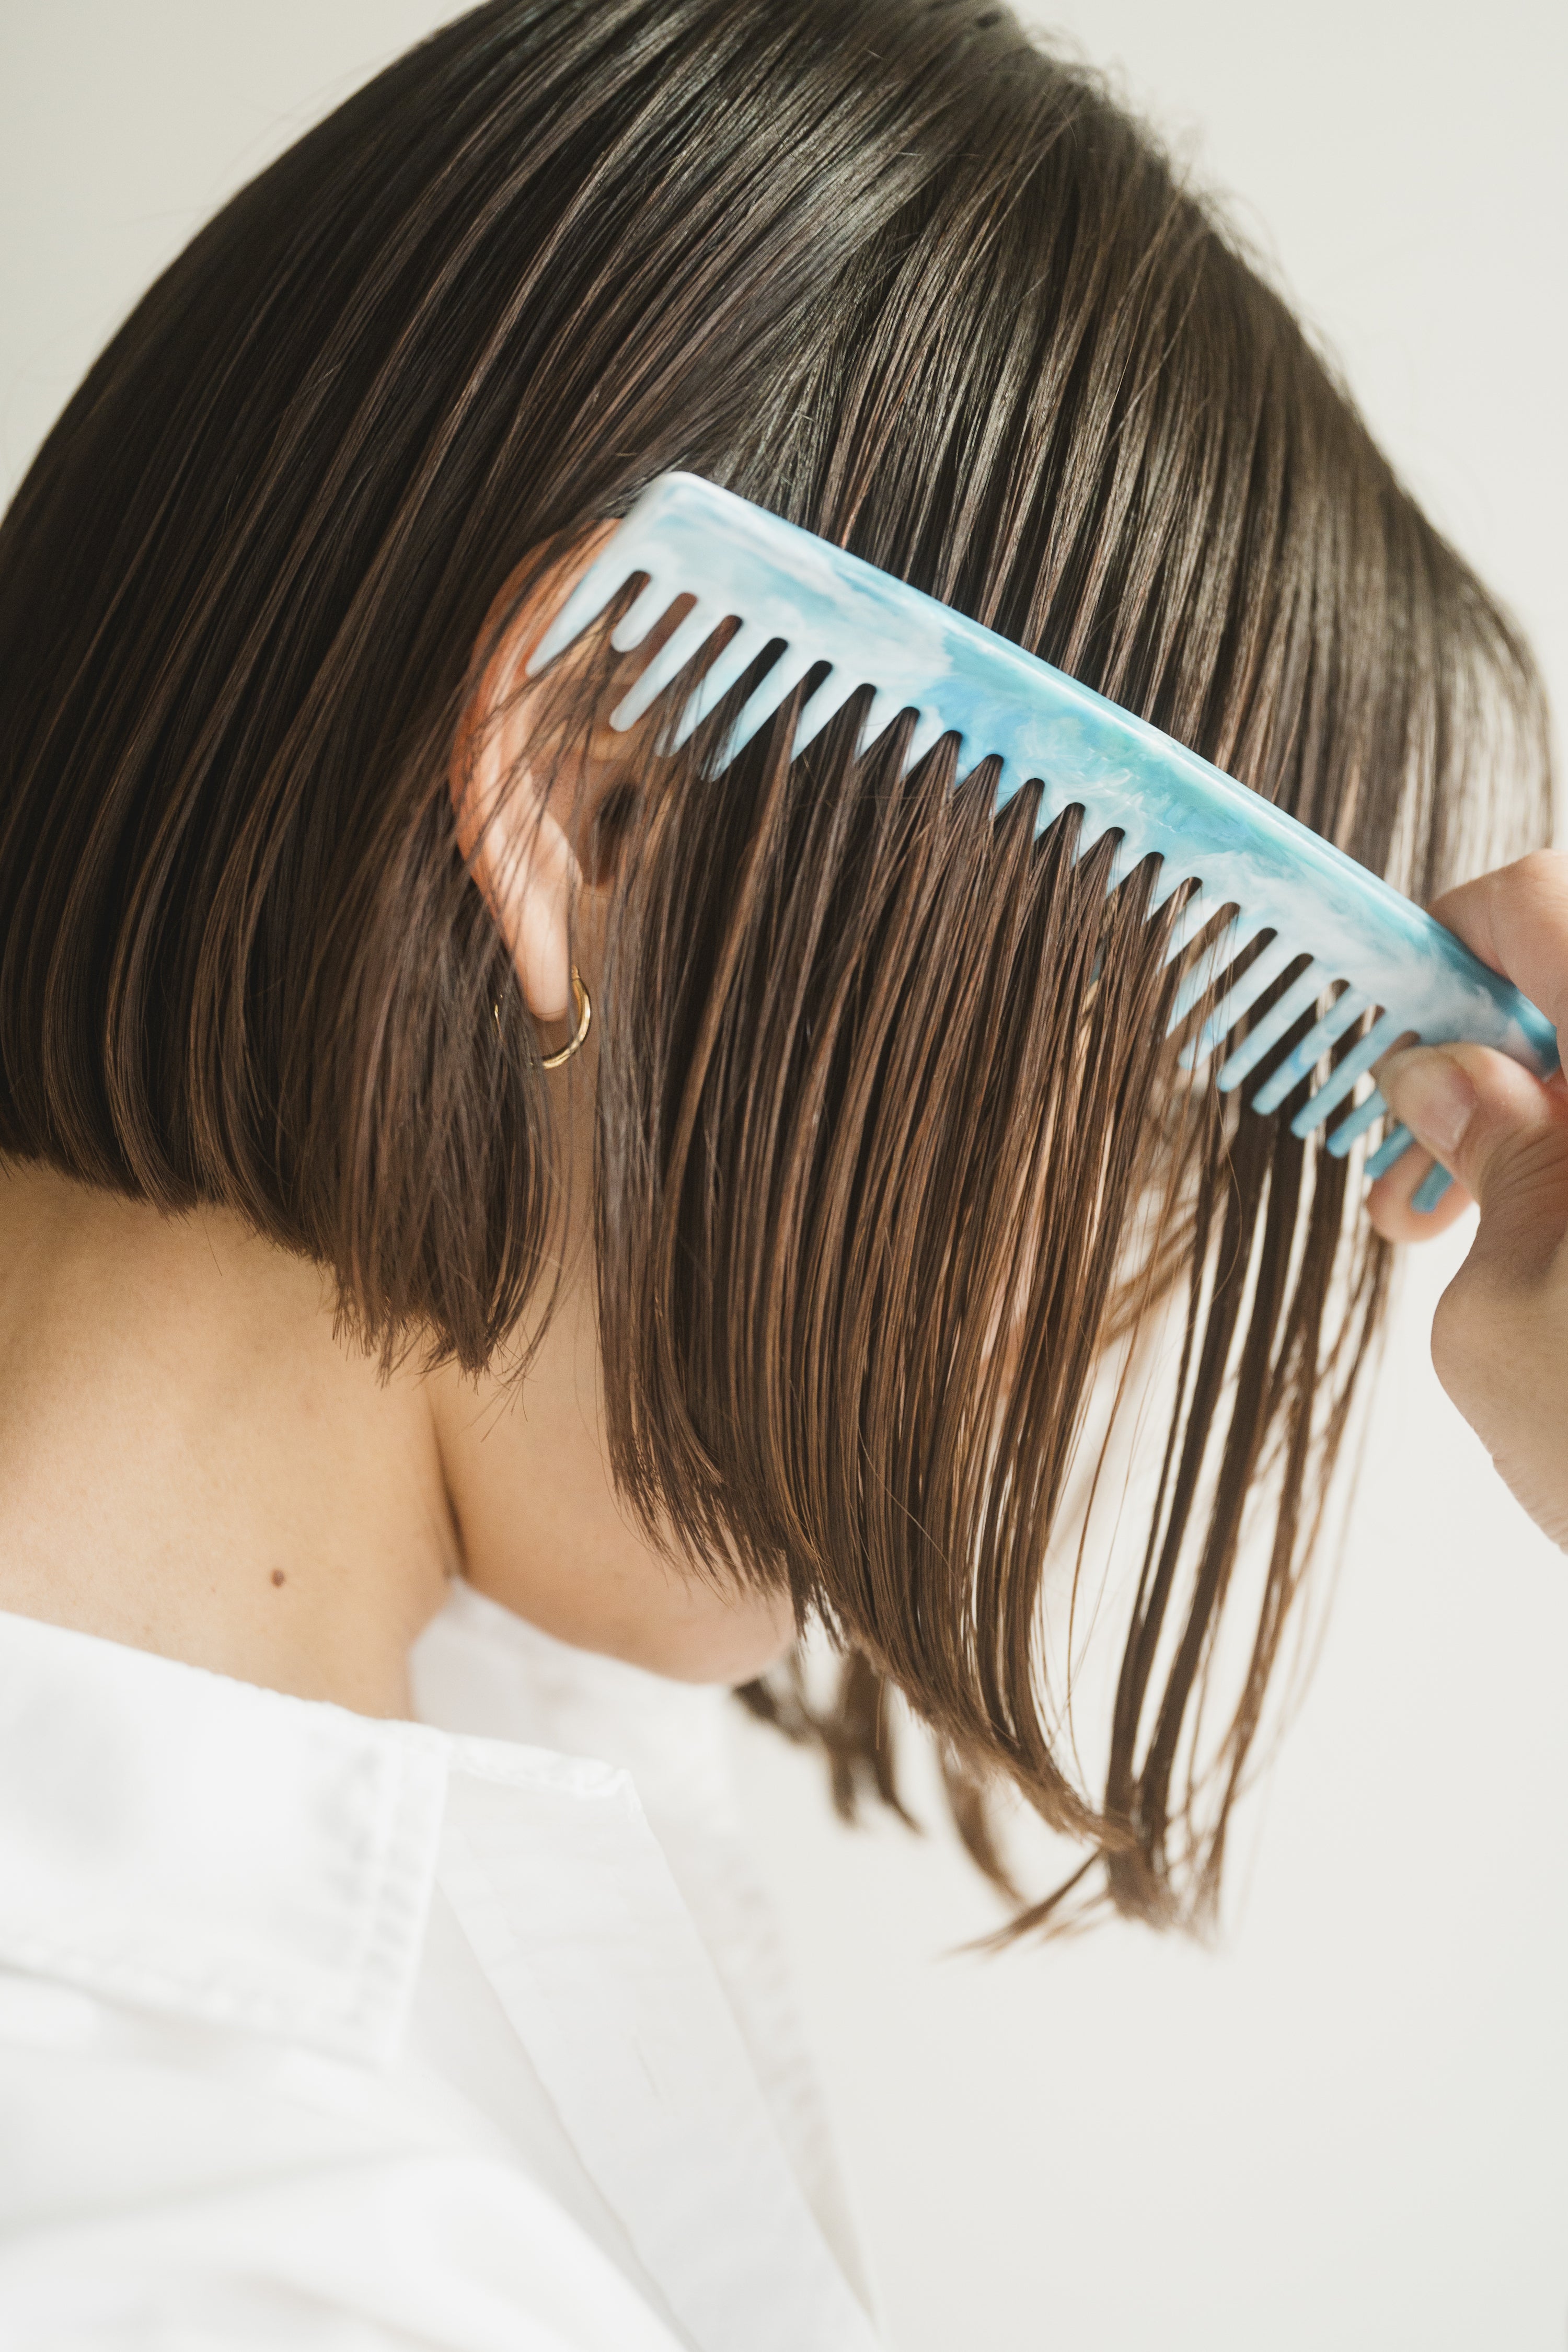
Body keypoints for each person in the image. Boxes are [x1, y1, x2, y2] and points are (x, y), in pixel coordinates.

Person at [0, 0, 1555, 2343]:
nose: (1134, 1286)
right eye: (1163, 1089)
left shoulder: (477, 1811)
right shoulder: (229, 2248)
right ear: (594, 796)